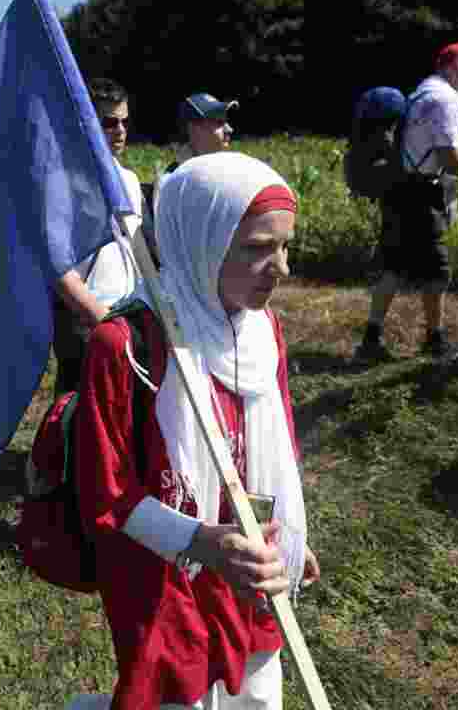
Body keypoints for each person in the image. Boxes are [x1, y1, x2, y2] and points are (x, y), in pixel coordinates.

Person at [69, 152, 320, 710]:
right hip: (165, 575)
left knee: (253, 691)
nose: (279, 267)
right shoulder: (128, 344)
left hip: (249, 569)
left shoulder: (262, 330)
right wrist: (199, 541)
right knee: (174, 694)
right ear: (199, 240)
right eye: (256, 248)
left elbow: (279, 436)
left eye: (284, 246)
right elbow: (103, 493)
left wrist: (292, 536)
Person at [353, 42, 458, 364]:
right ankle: (434, 339)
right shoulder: (444, 100)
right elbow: (452, 158)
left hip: (400, 186)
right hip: (422, 192)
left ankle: (371, 339)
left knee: (394, 264)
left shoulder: (422, 91)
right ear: (452, 66)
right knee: (436, 268)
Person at [51, 78, 144, 397]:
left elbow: (136, 248)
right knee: (79, 417)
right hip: (84, 319)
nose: (119, 130)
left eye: (124, 121)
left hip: (127, 312)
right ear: (87, 123)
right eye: (109, 122)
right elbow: (57, 264)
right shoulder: (64, 182)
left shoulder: (130, 180)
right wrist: (97, 318)